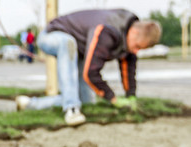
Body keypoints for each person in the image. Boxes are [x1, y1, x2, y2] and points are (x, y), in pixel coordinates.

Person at [14, 9, 161, 126]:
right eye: (137, 46)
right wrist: (113, 98)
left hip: (79, 49)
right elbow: (91, 73)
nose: (136, 51)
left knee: (87, 102)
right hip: (52, 35)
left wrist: (131, 96)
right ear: (134, 32)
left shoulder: (127, 34)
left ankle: (30, 104)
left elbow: (128, 67)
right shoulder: (108, 30)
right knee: (67, 43)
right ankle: (71, 110)